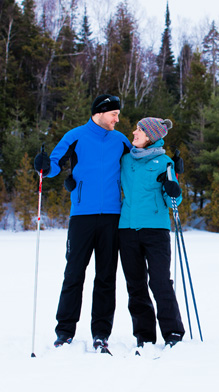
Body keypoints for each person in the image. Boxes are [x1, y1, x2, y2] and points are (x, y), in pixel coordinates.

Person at [33, 94, 131, 351]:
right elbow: (53, 165)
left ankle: (101, 333)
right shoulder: (75, 136)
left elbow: (136, 165)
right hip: (82, 216)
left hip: (112, 216)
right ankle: (64, 331)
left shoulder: (120, 140)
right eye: (114, 114)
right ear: (100, 112)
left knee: (106, 276)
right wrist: (43, 166)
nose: (117, 119)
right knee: (74, 273)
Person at [119, 117, 185, 349]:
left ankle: (173, 332)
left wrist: (174, 187)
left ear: (151, 136)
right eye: (136, 128)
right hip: (127, 229)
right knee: (135, 285)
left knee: (159, 282)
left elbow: (173, 200)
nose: (134, 132)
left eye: (139, 130)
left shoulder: (165, 162)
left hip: (156, 230)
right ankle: (144, 336)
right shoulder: (125, 160)